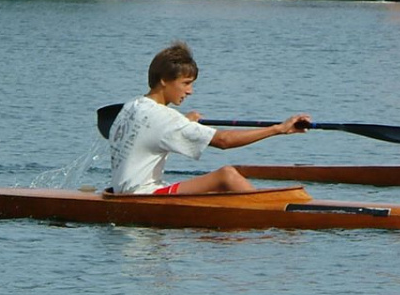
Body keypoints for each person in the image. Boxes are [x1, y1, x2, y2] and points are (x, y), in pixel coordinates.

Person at [108, 41, 310, 195]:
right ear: (164, 81)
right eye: (186, 83)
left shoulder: (132, 106)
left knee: (218, 192)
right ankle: (274, 216)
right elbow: (224, 141)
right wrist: (278, 129)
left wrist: (184, 122)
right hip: (144, 196)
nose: (190, 91)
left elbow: (154, 131)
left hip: (123, 192)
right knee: (227, 175)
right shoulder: (165, 119)